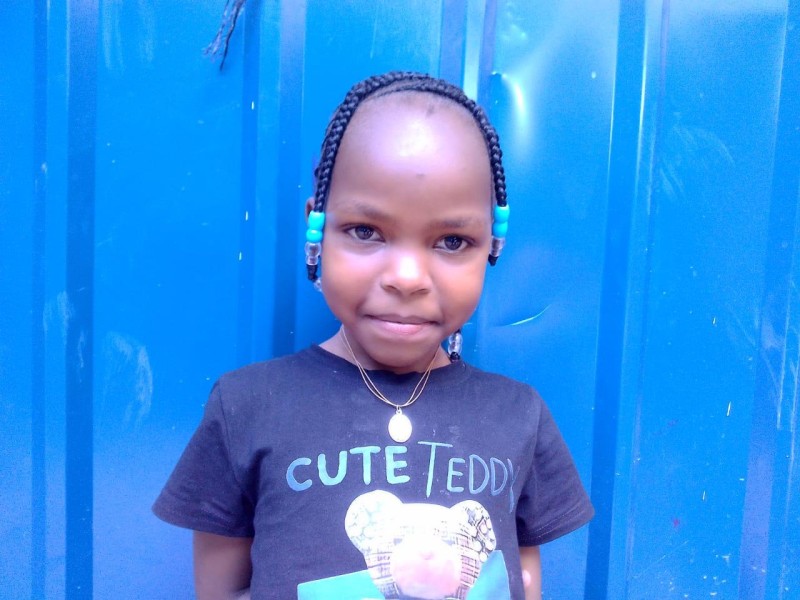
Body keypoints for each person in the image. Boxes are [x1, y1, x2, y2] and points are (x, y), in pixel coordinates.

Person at [153, 71, 594, 600]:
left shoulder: (519, 414)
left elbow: (524, 582)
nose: (407, 278)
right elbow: (219, 591)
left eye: (452, 241)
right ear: (317, 229)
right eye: (366, 232)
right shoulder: (245, 406)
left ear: (492, 246)